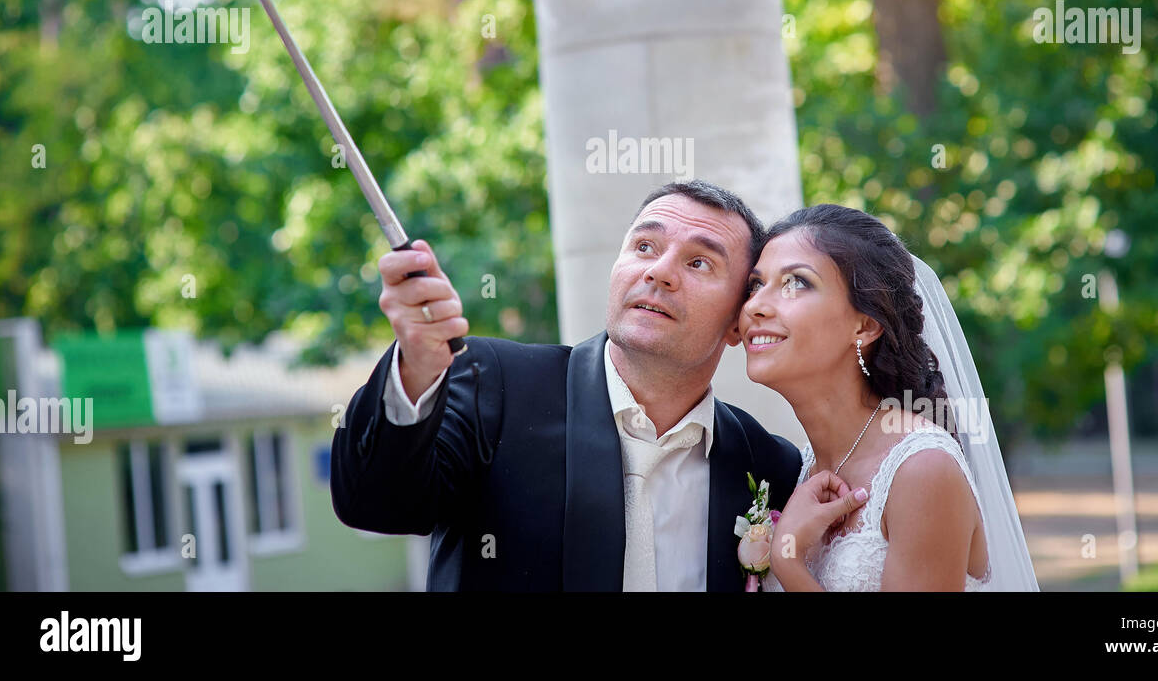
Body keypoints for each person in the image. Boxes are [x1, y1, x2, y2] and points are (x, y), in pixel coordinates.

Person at [331, 180, 817, 591]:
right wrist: (415, 369)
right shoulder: (492, 383)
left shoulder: (769, 463)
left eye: (699, 263)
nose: (659, 272)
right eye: (644, 246)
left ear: (738, 322)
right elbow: (377, 504)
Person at [745, 204, 1039, 591]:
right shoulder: (801, 466)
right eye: (755, 285)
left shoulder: (922, 469)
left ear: (865, 325)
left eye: (797, 283)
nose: (756, 306)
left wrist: (787, 561)